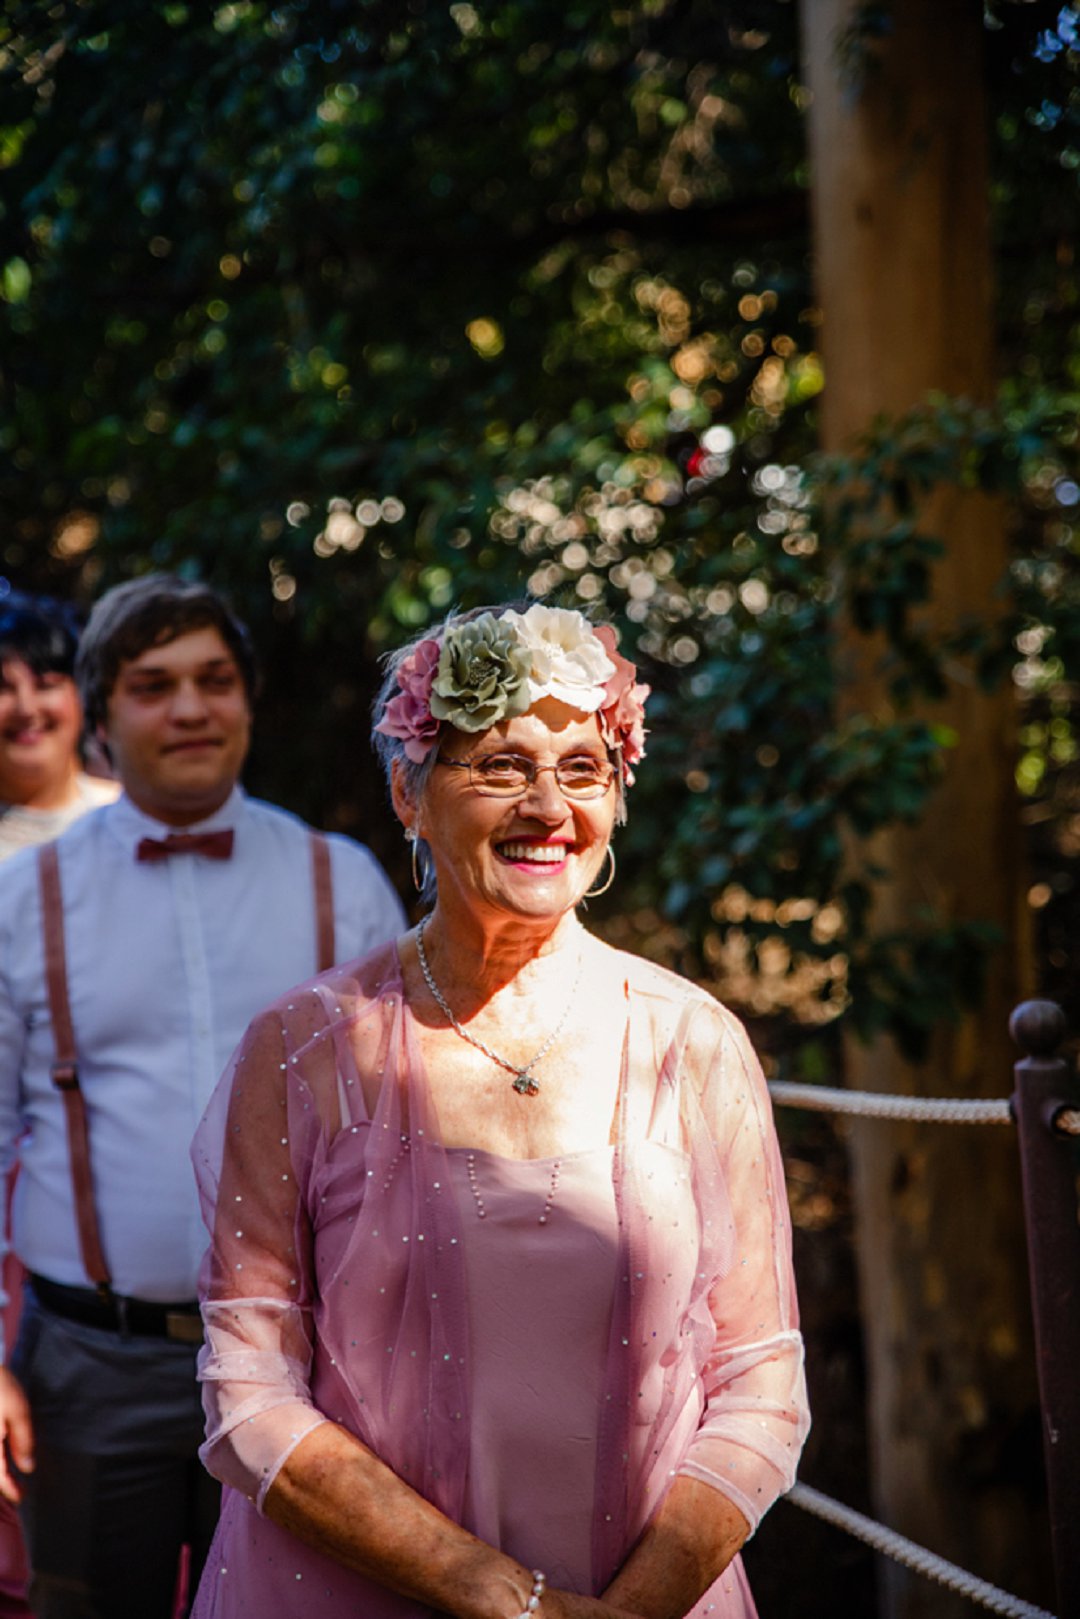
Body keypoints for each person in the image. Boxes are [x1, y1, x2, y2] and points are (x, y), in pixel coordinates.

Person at [190, 601, 810, 1619]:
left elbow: (759, 1379)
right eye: (500, 764)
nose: (548, 804)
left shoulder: (690, 1041)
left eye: (582, 767)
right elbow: (248, 1391)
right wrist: (500, 1595)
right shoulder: (306, 1048)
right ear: (408, 791)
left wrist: (628, 1612)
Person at [0, 574, 406, 1619]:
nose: (189, 708)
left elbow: (403, 1134)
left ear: (248, 699)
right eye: (153, 684)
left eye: (214, 680)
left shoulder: (341, 878)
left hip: (316, 1363)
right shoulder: (22, 897)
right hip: (91, 1365)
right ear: (104, 710)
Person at [0, 593, 118, 861]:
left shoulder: (132, 820)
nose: (26, 708)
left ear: (82, 696)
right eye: (3, 689)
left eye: (46, 686)